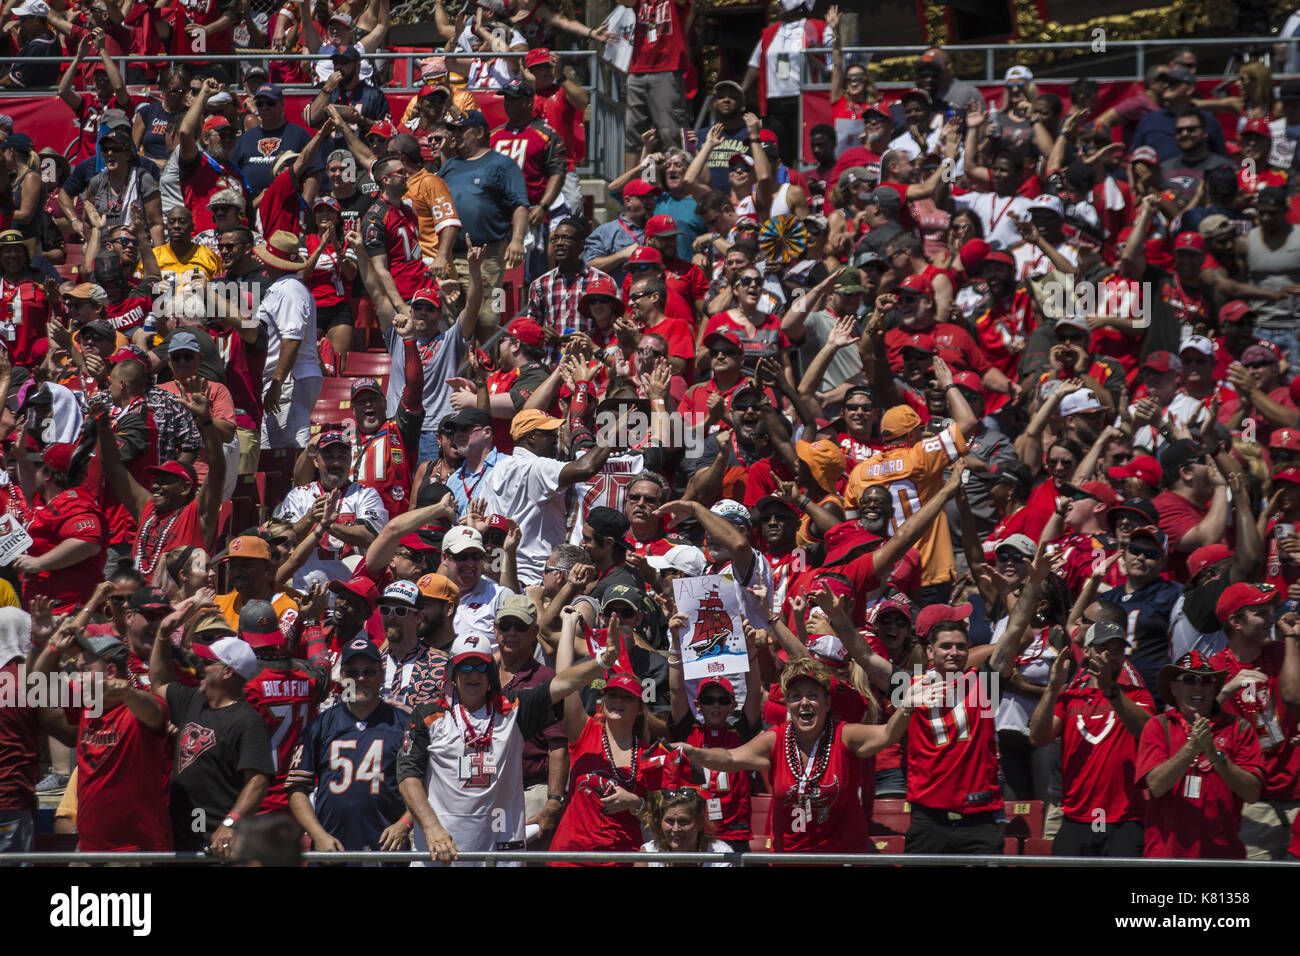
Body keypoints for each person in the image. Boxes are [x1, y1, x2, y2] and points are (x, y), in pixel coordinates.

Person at [397, 613, 625, 865]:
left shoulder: (513, 710)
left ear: (491, 674)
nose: (474, 674)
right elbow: (408, 776)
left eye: (481, 666)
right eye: (465, 667)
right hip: (440, 850)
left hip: (500, 853)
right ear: (452, 673)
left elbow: (562, 684)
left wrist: (604, 661)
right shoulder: (428, 715)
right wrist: (431, 828)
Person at [675, 654, 934, 854]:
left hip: (841, 857)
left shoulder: (845, 736)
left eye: (813, 696)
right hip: (789, 858)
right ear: (788, 705)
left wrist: (907, 707)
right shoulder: (775, 739)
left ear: (827, 703)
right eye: (796, 696)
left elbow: (889, 734)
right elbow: (730, 758)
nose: (805, 703)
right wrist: (694, 752)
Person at [31, 623, 169, 851]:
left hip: (135, 851)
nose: (77, 677)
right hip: (88, 848)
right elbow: (38, 686)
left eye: (84, 670)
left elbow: (154, 713)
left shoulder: (138, 709)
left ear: (111, 672)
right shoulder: (88, 707)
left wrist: (128, 693)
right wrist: (53, 649)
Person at [1028, 621, 1155, 856]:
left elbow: (1148, 732)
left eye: (1117, 650)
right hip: (1077, 818)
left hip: (1125, 819)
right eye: (1103, 649)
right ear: (1087, 651)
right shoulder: (1071, 697)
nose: (1111, 656)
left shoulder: (1137, 694)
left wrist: (1111, 690)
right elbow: (1037, 737)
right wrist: (1053, 687)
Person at [149, 628, 273, 862]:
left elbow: (258, 780)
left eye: (207, 662)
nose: (199, 667)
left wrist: (231, 823)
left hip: (218, 845)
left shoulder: (248, 721)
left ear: (227, 671)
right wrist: (163, 634)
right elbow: (159, 681)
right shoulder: (194, 700)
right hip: (179, 838)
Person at [287, 638, 413, 854]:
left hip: (387, 849)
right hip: (333, 848)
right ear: (343, 676)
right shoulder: (321, 725)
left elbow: (425, 785)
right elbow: (297, 788)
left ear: (381, 675)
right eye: (353, 672)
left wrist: (404, 823)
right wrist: (318, 834)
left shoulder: (403, 724)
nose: (361, 678)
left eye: (369, 672)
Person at [1136, 652, 1264, 859]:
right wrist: (1191, 749)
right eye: (1189, 680)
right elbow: (1156, 786)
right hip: (1166, 857)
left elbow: (1252, 793)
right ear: (1173, 688)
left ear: (1213, 689)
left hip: (1222, 857)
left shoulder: (1239, 728)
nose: (1198, 687)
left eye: (1206, 681)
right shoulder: (1158, 726)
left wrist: (1215, 755)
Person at [1211, 584, 1300, 860]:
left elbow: (1294, 697)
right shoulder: (1213, 669)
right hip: (1250, 803)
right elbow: (1194, 726)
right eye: (1260, 612)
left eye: (1271, 609)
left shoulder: (1287, 651)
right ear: (1235, 622)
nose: (1271, 618)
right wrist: (1226, 689)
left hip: (1297, 791)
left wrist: (1292, 640)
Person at [437, 110, 529, 339]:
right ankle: (460, 372)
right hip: (452, 256)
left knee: (488, 318)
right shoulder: (449, 166)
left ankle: (489, 372)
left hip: (489, 256)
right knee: (455, 322)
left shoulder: (503, 164)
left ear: (479, 132)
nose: (454, 135)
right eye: (453, 130)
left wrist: (517, 240)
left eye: (460, 130)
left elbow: (520, 205)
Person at [254, 230, 322, 451]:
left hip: (290, 379)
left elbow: (292, 339)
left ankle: (295, 486)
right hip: (292, 377)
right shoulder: (290, 288)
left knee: (286, 449)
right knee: (276, 446)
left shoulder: (289, 290)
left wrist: (277, 382)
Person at [637, 789, 733, 865]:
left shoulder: (721, 854)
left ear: (700, 822)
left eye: (684, 821)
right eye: (669, 821)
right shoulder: (648, 855)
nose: (675, 829)